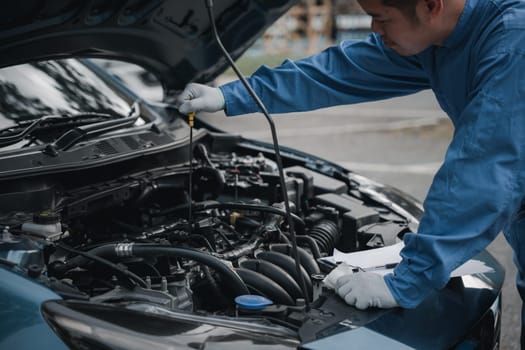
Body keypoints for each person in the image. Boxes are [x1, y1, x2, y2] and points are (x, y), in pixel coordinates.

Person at [176, 0, 525, 342]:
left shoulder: (515, 43)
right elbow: (339, 71)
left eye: (380, 17)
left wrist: (406, 282)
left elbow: (483, 168)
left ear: (431, 6)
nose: (374, 28)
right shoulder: (438, 37)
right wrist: (229, 96)